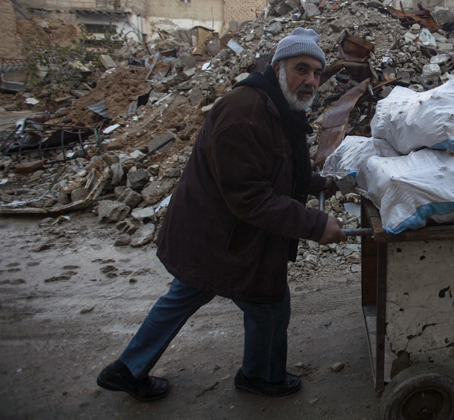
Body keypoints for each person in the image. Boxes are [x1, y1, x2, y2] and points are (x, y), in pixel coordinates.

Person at [96, 28, 347, 402]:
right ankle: (261, 376)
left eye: (316, 72)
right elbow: (249, 196)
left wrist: (318, 183)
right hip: (221, 236)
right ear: (278, 67)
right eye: (302, 69)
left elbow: (276, 168)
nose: (310, 80)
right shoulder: (245, 112)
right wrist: (315, 223)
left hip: (220, 235)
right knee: (270, 305)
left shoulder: (277, 108)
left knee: (185, 296)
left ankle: (127, 369)